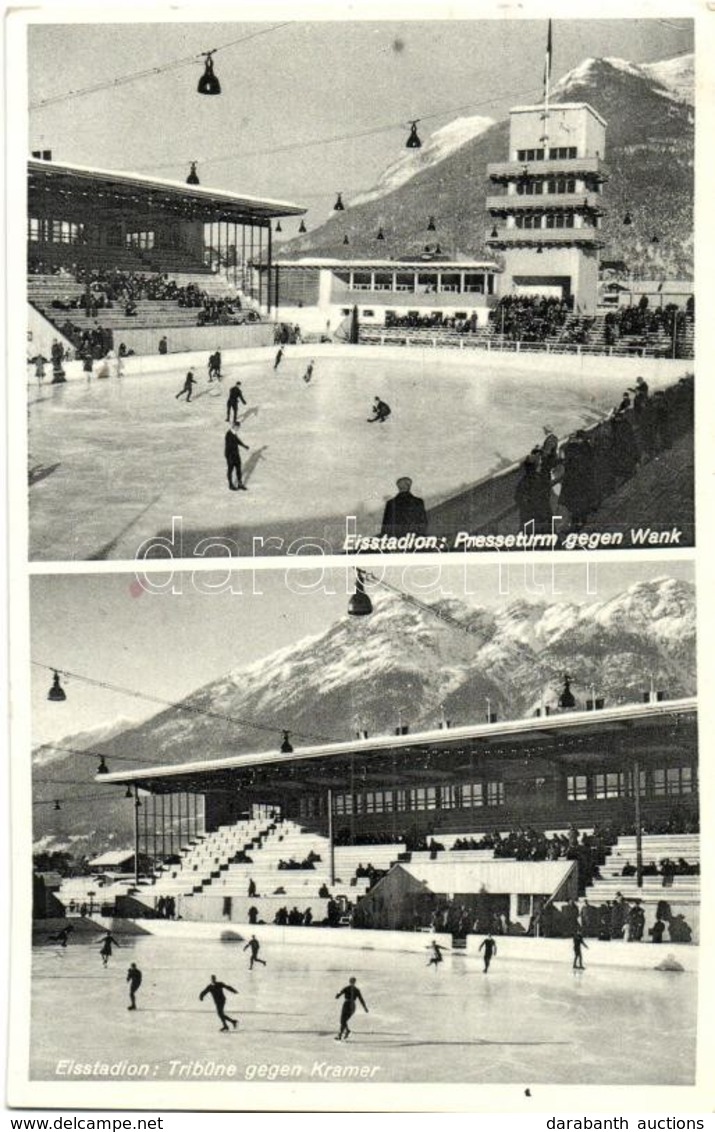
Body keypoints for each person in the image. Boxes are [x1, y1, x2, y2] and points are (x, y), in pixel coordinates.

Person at [335, 976, 368, 1041]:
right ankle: (344, 1033)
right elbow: (361, 999)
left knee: (343, 1020)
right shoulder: (356, 990)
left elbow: (338, 995)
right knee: (344, 1021)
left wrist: (338, 994)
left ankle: (343, 1034)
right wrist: (365, 1008)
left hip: (347, 1004)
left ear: (349, 981)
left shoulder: (346, 988)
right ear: (355, 982)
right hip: (352, 1005)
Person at [225, 422, 250, 491]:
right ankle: (230, 485)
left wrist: (244, 446)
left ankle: (240, 484)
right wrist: (229, 456)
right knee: (230, 470)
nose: (238, 428)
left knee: (238, 469)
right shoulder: (228, 434)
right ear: (234, 426)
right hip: (230, 455)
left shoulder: (234, 433)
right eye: (237, 427)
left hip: (236, 455)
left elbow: (237, 441)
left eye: (238, 427)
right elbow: (230, 445)